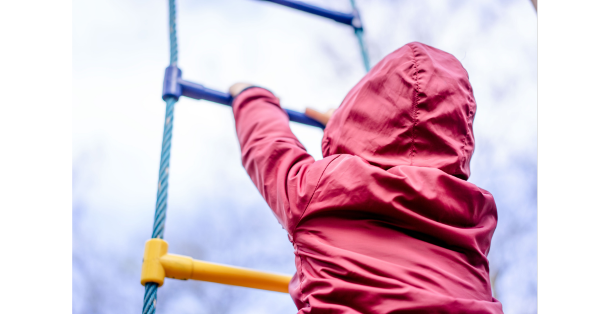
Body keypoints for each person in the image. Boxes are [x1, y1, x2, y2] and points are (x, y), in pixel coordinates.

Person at [228, 42, 503, 313]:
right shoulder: (471, 216)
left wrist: (250, 96)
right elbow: (415, 140)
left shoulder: (321, 189)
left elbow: (271, 147)